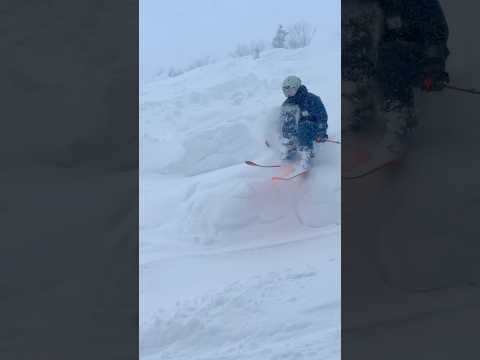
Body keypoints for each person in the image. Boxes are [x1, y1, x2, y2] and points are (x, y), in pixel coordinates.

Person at [342, 0, 449, 156]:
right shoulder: (366, 7)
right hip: (379, 63)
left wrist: (434, 65)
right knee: (356, 49)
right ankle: (356, 111)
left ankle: (400, 119)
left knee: (390, 52)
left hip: (416, 59)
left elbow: (436, 31)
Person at [280, 75, 328, 170]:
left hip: (313, 129)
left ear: (297, 88)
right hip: (296, 133)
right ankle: (290, 149)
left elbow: (322, 117)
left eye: (291, 91)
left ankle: (307, 154)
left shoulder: (312, 99)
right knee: (287, 122)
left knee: (304, 125)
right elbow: (282, 122)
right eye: (286, 92)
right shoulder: (286, 104)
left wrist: (321, 132)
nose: (289, 94)